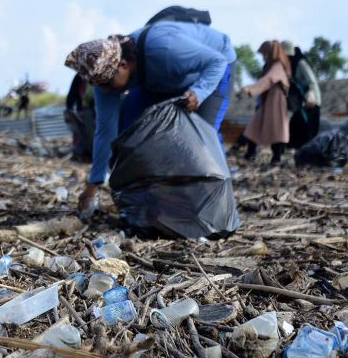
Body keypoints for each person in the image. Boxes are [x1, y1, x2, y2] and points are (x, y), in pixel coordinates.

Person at [65, 20, 236, 214]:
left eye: (108, 84)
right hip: (157, 80)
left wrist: (199, 91)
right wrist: (93, 185)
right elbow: (105, 131)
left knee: (203, 136)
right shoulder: (104, 80)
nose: (106, 91)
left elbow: (216, 61)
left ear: (123, 65)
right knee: (131, 131)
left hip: (212, 68)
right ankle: (154, 196)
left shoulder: (166, 49)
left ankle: (217, 204)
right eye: (100, 86)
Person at [239, 41, 291, 164]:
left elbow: (267, 81)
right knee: (254, 126)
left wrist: (249, 89)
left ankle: (276, 158)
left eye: (265, 53)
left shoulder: (277, 66)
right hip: (269, 100)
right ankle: (251, 153)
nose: (263, 56)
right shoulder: (271, 65)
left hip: (276, 101)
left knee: (276, 129)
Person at [282, 40, 321, 148]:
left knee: (308, 128)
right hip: (302, 102)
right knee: (296, 127)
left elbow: (311, 81)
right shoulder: (291, 66)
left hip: (312, 101)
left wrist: (311, 95)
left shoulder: (301, 63)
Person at [65, 74, 95, 160]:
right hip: (83, 111)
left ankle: (88, 153)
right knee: (80, 133)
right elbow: (72, 94)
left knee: (90, 133)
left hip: (92, 111)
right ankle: (82, 152)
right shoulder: (78, 77)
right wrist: (69, 108)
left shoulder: (94, 76)